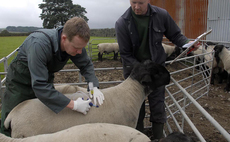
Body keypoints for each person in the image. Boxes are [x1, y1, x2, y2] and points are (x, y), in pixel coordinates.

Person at [1, 17, 104, 137]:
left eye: (82, 48)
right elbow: (40, 86)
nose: (80, 52)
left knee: (40, 118)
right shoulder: (39, 44)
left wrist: (93, 87)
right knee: (10, 121)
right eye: (77, 48)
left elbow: (85, 64)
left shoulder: (73, 44)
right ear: (64, 38)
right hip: (20, 82)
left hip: (43, 77)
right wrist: (74, 105)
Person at [115, 0, 198, 141]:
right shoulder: (122, 23)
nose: (136, 7)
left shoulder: (161, 15)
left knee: (158, 106)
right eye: (133, 2)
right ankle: (138, 138)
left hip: (156, 73)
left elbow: (176, 35)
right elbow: (125, 55)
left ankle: (159, 138)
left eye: (140, 3)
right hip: (135, 75)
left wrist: (187, 44)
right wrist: (144, 71)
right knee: (136, 110)